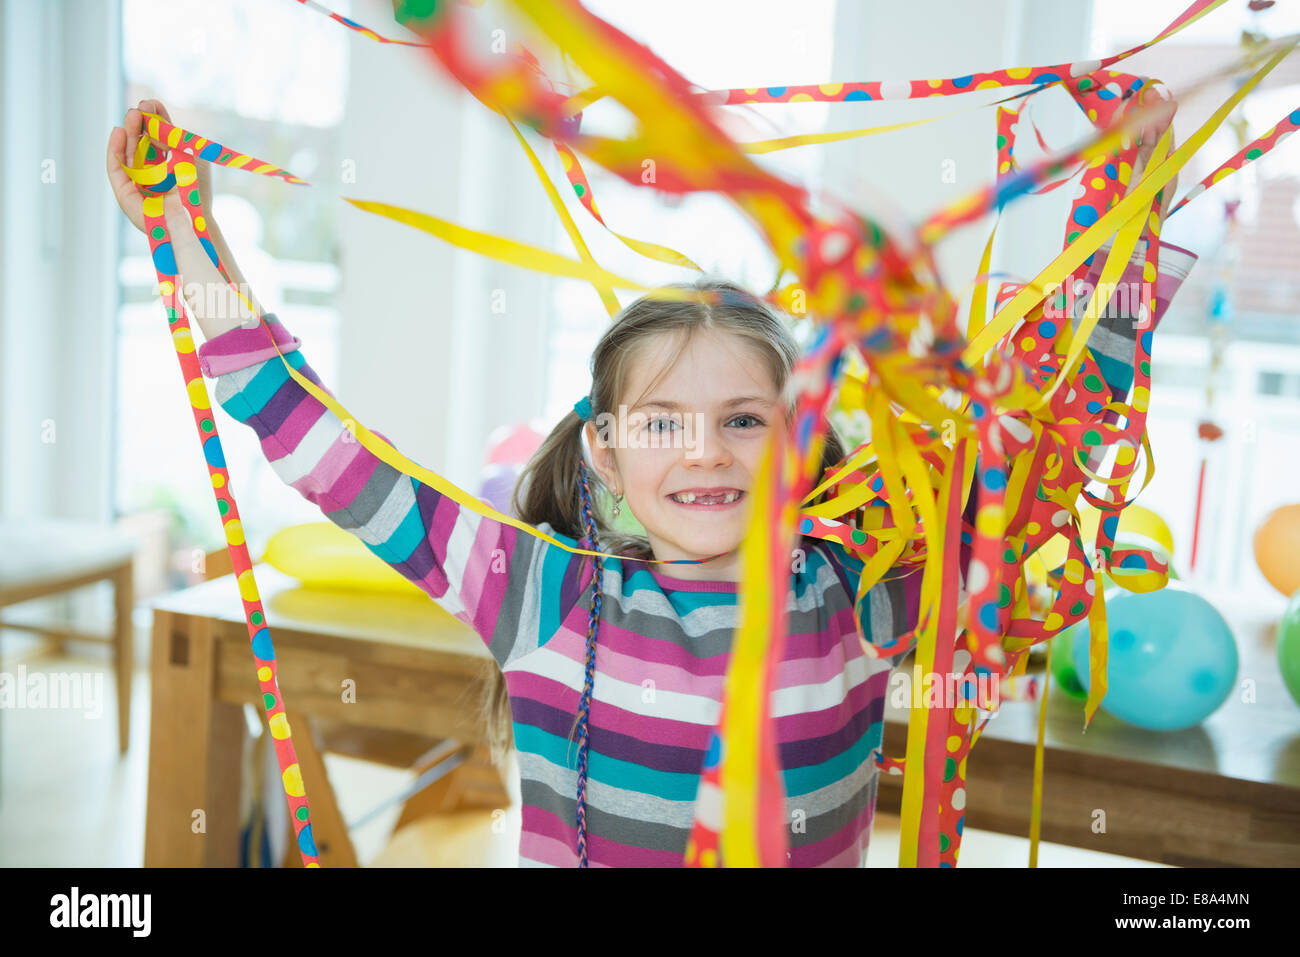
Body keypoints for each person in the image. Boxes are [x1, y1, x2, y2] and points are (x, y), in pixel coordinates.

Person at [106, 97, 1182, 867]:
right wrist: (182, 231)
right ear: (607, 453)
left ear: (803, 449)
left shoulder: (861, 589)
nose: (706, 452)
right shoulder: (541, 594)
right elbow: (318, 444)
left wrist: (1128, 233)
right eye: (663, 422)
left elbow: (1048, 455)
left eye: (745, 422)